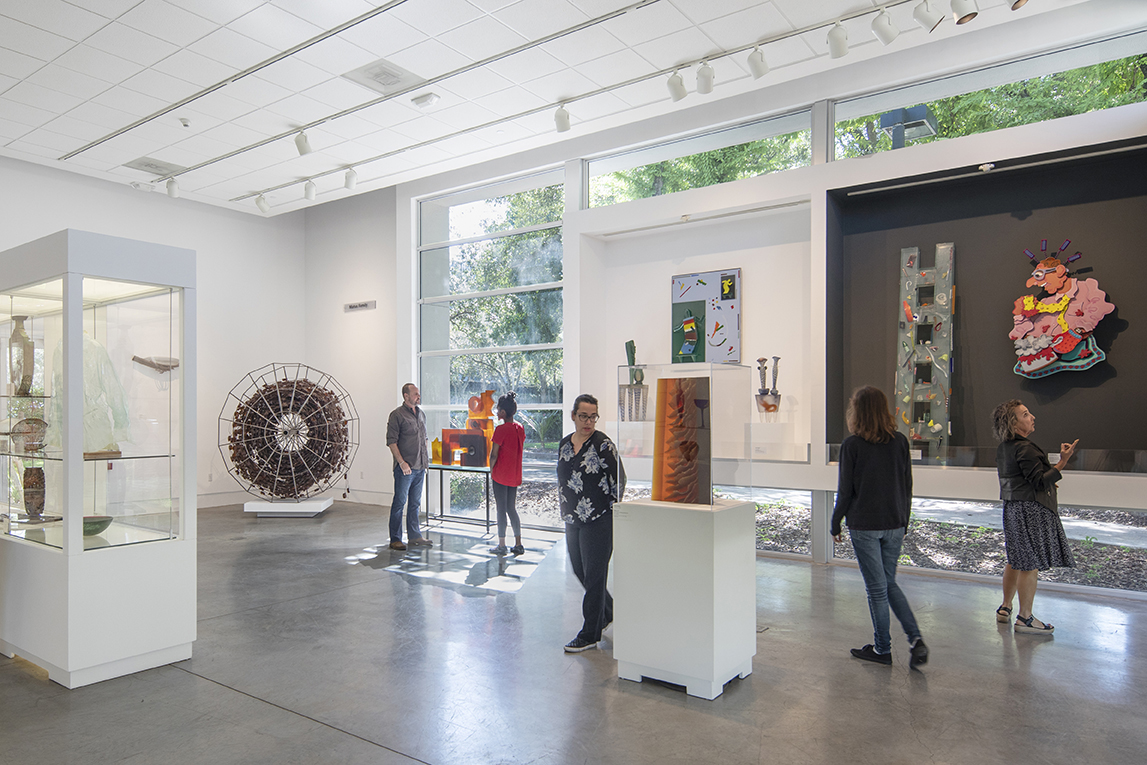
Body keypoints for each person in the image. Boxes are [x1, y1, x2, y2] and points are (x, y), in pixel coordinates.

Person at [831, 386, 928, 668]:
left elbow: (845, 490)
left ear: (857, 412)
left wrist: (835, 521)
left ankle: (882, 649)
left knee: (877, 589)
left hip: (865, 524)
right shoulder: (899, 442)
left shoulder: (852, 445)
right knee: (888, 583)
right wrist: (904, 519)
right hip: (895, 522)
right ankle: (915, 639)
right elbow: (907, 485)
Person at [992, 400, 1078, 634]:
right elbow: (1039, 481)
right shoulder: (1025, 448)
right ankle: (1025, 617)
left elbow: (1024, 477)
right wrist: (1063, 461)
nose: (1032, 417)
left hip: (1013, 508)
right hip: (1031, 509)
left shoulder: (1004, 447)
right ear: (1014, 423)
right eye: (1026, 414)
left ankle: (1005, 607)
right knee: (1028, 564)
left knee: (1016, 558)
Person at [558, 394, 624, 653]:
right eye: (583, 416)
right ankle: (607, 612)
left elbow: (619, 478)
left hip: (599, 520)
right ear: (573, 415)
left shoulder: (603, 444)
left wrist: (612, 508)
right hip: (572, 519)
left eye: (593, 416)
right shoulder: (564, 445)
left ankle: (590, 633)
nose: (588, 422)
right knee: (579, 570)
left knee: (595, 576)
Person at [385, 383, 432, 551]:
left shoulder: (421, 415)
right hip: (405, 468)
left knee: (415, 503)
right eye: (415, 394)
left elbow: (424, 438)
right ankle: (395, 539)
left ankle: (414, 536)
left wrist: (425, 459)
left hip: (420, 467)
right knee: (400, 502)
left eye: (418, 394)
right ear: (406, 396)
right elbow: (391, 441)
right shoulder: (397, 415)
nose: (418, 396)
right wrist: (401, 462)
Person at [489, 392, 525, 556]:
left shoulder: (500, 429)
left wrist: (491, 469)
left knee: (501, 509)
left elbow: (494, 454)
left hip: (501, 475)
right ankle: (518, 543)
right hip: (514, 474)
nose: (496, 411)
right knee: (511, 508)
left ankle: (502, 544)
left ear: (503, 412)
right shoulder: (519, 428)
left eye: (498, 409)